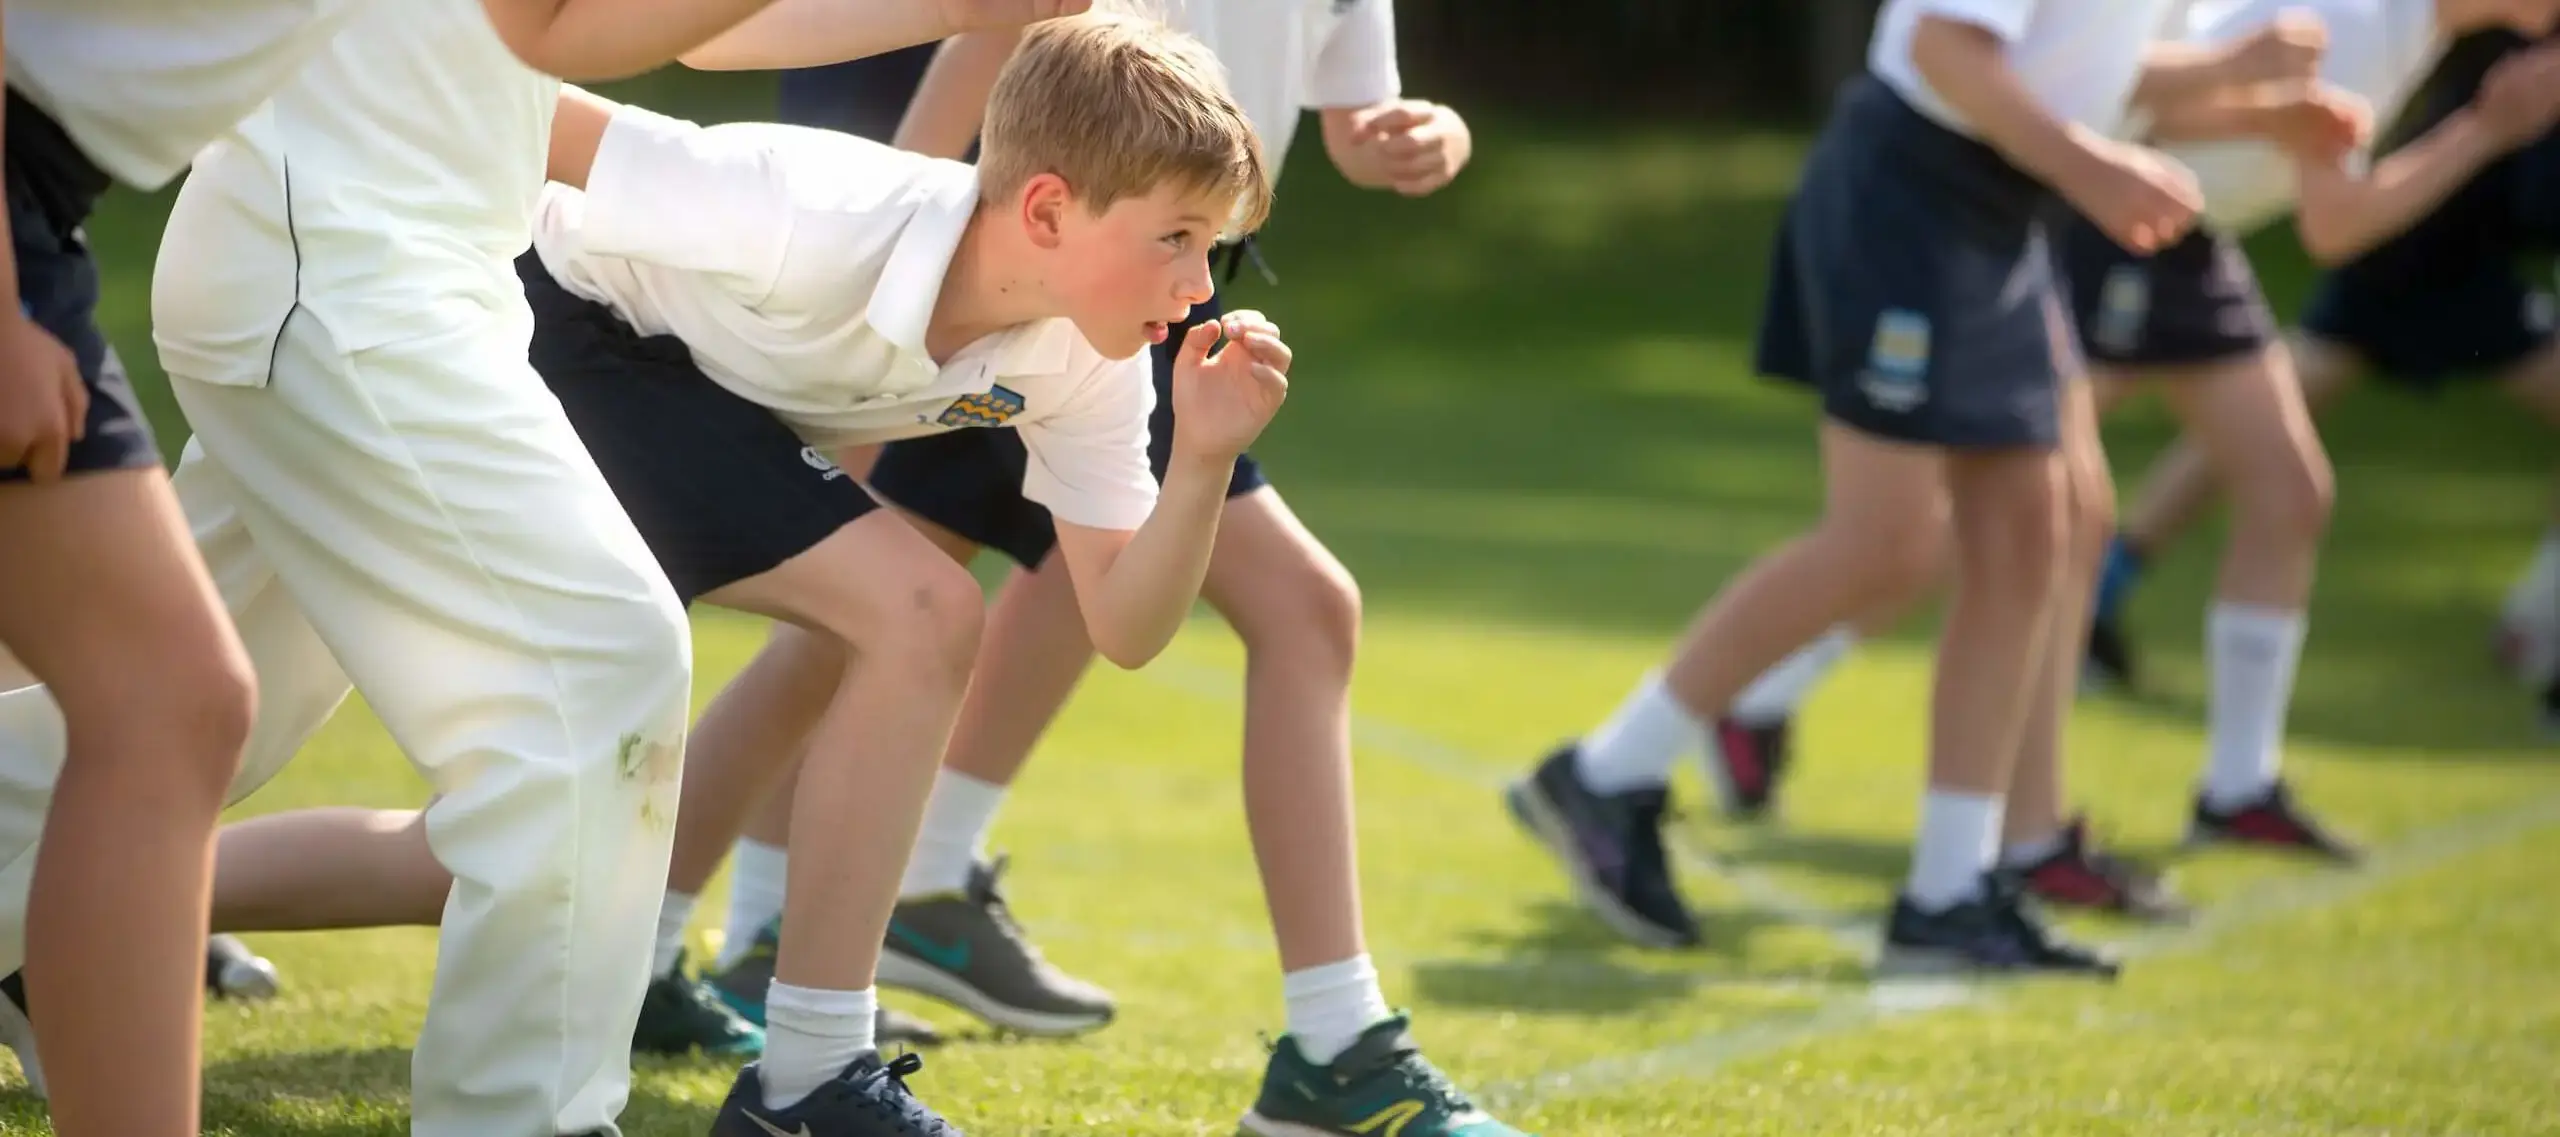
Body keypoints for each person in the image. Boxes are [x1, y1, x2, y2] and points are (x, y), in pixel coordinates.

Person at [0, 0, 1084, 1133]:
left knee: (190, 710)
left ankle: (21, 924)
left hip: (399, 266)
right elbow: (559, 31)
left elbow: (667, 29)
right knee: (601, 664)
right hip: (345, 268)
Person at [1508, 0, 2221, 972]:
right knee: (1886, 542)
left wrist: (2241, 74)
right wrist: (2092, 167)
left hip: (2000, 210)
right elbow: (1944, 45)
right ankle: (1606, 772)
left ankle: (1947, 892)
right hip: (1912, 196)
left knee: (2030, 531)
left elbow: (2077, 68)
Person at [2093, 24, 2560, 702]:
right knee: (2047, 477)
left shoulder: (2422, 30)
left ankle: (2231, 781)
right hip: (2403, 249)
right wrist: (2490, 129)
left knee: (2279, 477)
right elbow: (2336, 223)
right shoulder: (2382, 24)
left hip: (2424, 249)